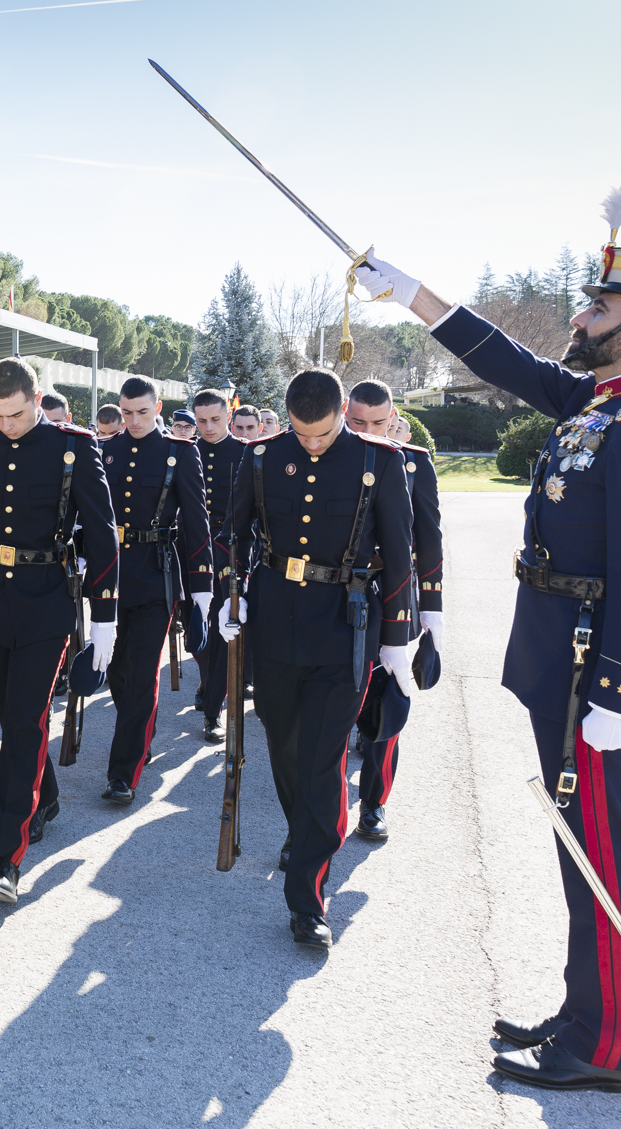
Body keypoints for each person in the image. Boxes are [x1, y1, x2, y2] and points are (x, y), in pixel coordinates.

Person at [354, 230, 621, 1095]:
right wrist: (414, 294)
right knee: (578, 845)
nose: (581, 317)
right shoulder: (601, 404)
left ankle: (609, 1045)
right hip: (562, 662)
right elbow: (507, 361)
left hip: (598, 674)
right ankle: (584, 1014)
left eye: (600, 308)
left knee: (601, 850)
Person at [217, 369, 414, 949]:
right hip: (276, 617)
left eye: (323, 433)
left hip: (344, 622)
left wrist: (399, 637)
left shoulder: (379, 462)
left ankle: (308, 896)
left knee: (324, 760)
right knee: (285, 745)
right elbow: (235, 535)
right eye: (302, 433)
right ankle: (303, 832)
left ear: (341, 413)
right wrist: (232, 595)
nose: (312, 443)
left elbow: (400, 554)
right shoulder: (259, 459)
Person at [0, 359, 117, 902]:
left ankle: (4, 859)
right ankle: (43, 798)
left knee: (22, 724)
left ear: (37, 397)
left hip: (47, 601)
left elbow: (103, 530)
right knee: (22, 716)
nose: (7, 425)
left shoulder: (73, 445)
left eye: (16, 414)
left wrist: (105, 614)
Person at [99, 376, 210, 803]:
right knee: (118, 670)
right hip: (112, 576)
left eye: (142, 412)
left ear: (158, 407)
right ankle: (138, 734)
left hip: (156, 574)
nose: (134, 420)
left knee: (143, 673)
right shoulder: (106, 450)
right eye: (126, 413)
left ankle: (122, 772)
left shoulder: (178, 453)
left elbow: (197, 525)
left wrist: (200, 592)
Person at [344, 380, 444, 841]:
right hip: (341, 596)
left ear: (394, 420)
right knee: (337, 707)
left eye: (378, 424)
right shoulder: (330, 456)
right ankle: (325, 817)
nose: (367, 431)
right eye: (356, 422)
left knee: (387, 708)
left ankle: (373, 804)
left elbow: (429, 541)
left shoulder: (414, 464)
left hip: (393, 598)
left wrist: (432, 612)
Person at [190, 388, 247, 742]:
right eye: (201, 421)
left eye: (215, 419)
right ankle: (207, 683)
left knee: (221, 635)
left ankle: (213, 709)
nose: (208, 427)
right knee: (195, 636)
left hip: (229, 552)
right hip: (191, 551)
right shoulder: (185, 452)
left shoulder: (245, 453)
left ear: (229, 414)